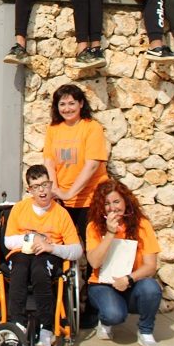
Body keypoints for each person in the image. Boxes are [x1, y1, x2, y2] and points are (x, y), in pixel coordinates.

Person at [4, 165, 83, 346]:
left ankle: (46, 327)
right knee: (20, 270)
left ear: (50, 185)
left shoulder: (61, 213)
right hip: (22, 252)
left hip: (48, 254)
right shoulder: (19, 208)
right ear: (29, 190)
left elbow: (77, 250)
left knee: (40, 271)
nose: (42, 190)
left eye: (45, 184)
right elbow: (8, 241)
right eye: (36, 186)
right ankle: (17, 324)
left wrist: (51, 247)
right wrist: (31, 238)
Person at [86, 180, 163, 346]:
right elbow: (94, 262)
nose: (112, 208)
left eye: (116, 202)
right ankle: (106, 319)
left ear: (125, 202)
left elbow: (150, 266)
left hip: (131, 281)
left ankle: (146, 331)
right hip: (102, 284)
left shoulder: (142, 225)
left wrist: (128, 279)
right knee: (114, 315)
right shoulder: (93, 227)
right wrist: (110, 233)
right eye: (107, 203)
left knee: (151, 288)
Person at [43, 83, 108, 244]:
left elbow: (92, 165)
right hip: (62, 200)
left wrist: (69, 194)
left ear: (81, 103)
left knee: (92, 245)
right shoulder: (53, 128)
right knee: (61, 246)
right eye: (62, 104)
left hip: (91, 199)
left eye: (72, 103)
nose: (67, 109)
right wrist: (55, 190)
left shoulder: (92, 127)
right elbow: (49, 161)